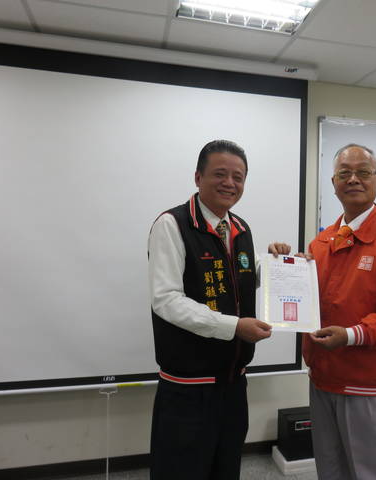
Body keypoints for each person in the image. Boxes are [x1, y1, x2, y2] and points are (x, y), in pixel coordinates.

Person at [275, 143, 376, 480]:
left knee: (374, 472)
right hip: (324, 378)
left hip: (369, 383)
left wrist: (351, 335)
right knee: (330, 469)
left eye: (363, 172)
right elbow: (309, 301)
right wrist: (283, 266)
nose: (353, 179)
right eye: (344, 173)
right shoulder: (322, 243)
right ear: (334, 183)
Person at [147, 140, 280, 480]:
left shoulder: (240, 228)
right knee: (182, 472)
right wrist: (233, 327)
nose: (230, 183)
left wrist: (281, 267)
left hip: (234, 383)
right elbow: (166, 300)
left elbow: (243, 279)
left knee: (226, 468)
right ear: (198, 177)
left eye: (238, 177)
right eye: (220, 174)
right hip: (189, 387)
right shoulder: (172, 224)